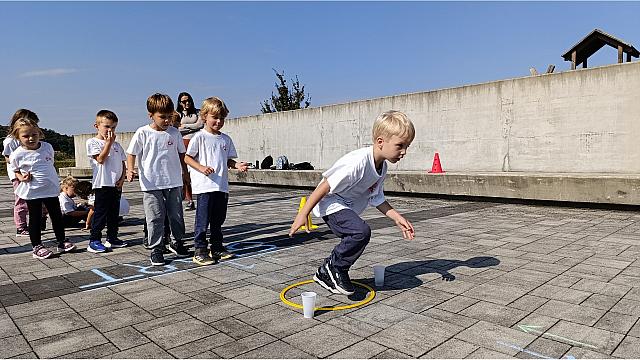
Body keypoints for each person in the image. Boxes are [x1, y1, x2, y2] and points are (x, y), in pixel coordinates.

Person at [289, 110, 416, 295]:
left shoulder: (382, 167)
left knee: (359, 233)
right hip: (330, 203)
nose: (404, 152)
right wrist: (303, 214)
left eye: (407, 146)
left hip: (345, 206)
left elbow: (376, 197)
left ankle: (333, 269)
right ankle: (331, 268)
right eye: (400, 145)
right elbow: (324, 186)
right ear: (380, 142)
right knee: (360, 231)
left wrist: (397, 217)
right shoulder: (357, 163)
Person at [184, 96, 248, 265]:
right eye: (215, 117)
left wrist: (237, 165)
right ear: (204, 116)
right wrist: (202, 168)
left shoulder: (225, 139)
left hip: (221, 185)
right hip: (205, 186)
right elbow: (188, 158)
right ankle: (200, 249)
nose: (218, 121)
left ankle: (217, 247)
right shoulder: (199, 137)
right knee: (203, 219)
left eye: (222, 118)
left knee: (218, 219)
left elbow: (228, 160)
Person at [127, 93, 190, 265]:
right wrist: (130, 169)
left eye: (169, 117)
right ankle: (156, 247)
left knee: (176, 215)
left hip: (174, 181)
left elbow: (181, 154)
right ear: (151, 115)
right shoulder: (143, 132)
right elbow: (131, 153)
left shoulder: (174, 133)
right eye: (162, 117)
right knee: (155, 216)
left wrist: (185, 174)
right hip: (151, 182)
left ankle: (177, 242)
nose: (167, 121)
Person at [9, 118, 75, 259]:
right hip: (33, 191)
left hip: (50, 188)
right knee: (36, 218)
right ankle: (37, 246)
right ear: (18, 137)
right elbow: (15, 170)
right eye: (25, 136)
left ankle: (61, 241)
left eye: (34, 134)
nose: (31, 138)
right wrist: (21, 178)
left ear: (39, 133)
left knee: (56, 215)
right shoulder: (17, 154)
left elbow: (50, 162)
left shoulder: (47, 147)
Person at [86, 110, 128, 253]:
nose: (110, 130)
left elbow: (123, 163)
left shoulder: (117, 145)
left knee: (113, 213)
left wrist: (122, 179)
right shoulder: (92, 142)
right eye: (107, 127)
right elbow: (100, 159)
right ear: (97, 126)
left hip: (115, 184)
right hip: (102, 183)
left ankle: (112, 237)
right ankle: (94, 239)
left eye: (113, 127)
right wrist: (108, 143)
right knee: (100, 213)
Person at [3, 109, 48, 237]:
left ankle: (40, 220)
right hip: (19, 176)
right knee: (21, 200)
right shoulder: (10, 141)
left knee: (41, 198)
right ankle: (21, 226)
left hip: (34, 174)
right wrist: (19, 171)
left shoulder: (33, 136)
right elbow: (8, 157)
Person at [176, 92, 203, 211]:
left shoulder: (197, 112)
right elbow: (176, 129)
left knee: (197, 170)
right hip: (183, 143)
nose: (186, 103)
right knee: (184, 172)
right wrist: (190, 127)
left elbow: (200, 125)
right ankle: (189, 199)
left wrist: (184, 126)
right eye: (183, 101)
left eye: (188, 100)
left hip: (196, 143)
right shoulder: (177, 114)